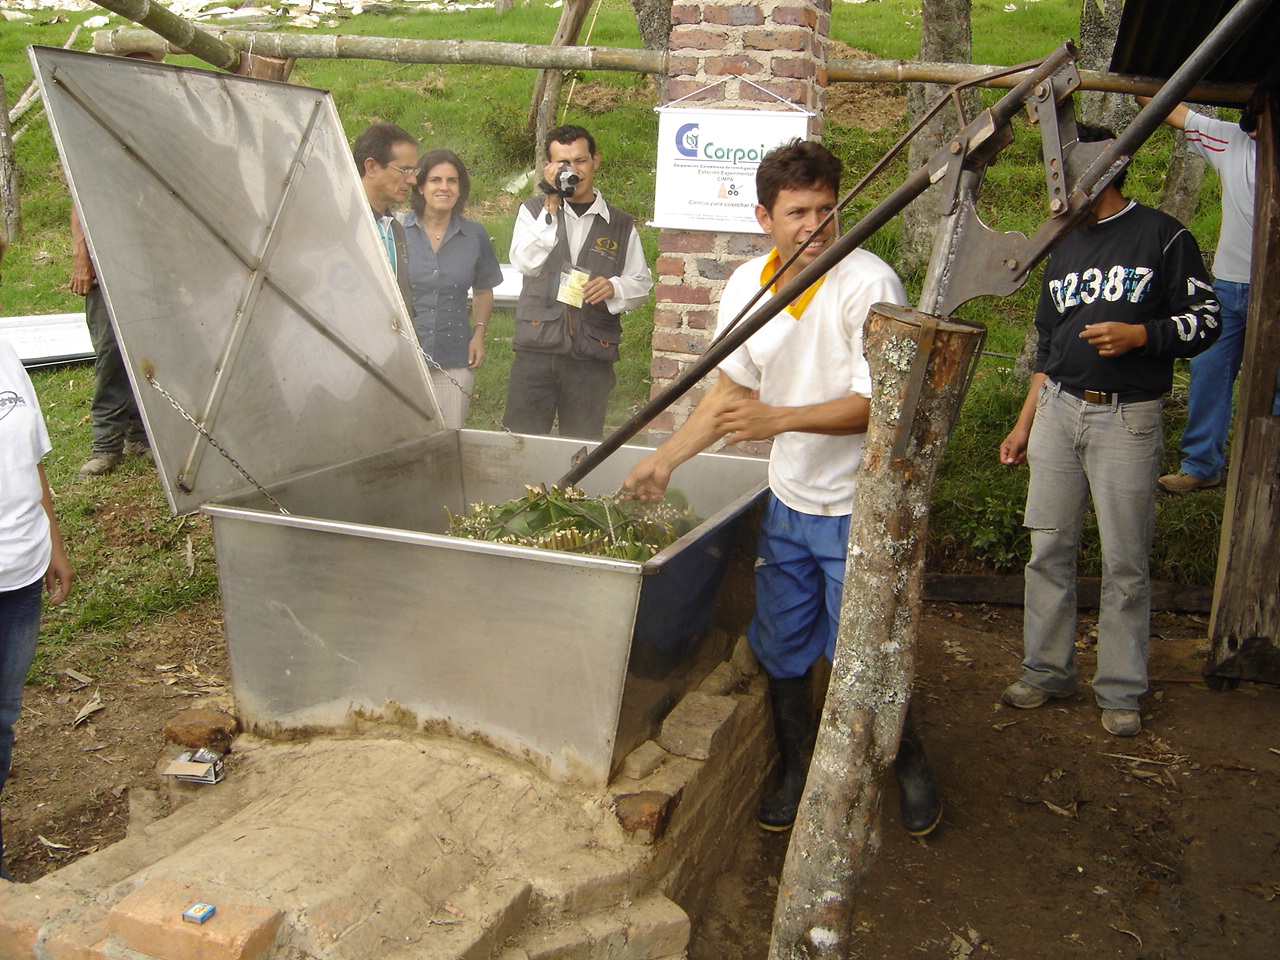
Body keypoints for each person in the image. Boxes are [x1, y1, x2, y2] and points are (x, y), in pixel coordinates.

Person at [623, 140, 941, 836]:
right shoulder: (747, 286)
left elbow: (883, 407)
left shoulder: (869, 284)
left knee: (868, 648)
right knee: (783, 641)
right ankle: (795, 767)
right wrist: (666, 459)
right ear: (763, 214)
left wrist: (778, 418)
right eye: (798, 212)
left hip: (862, 504)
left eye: (826, 210)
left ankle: (907, 764)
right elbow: (730, 392)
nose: (815, 226)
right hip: (792, 501)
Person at [999, 124, 1221, 738]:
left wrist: (1142, 335)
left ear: (1104, 170)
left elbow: (1207, 320)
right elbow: (1048, 346)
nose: (1061, 182)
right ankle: (1047, 669)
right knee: (1048, 549)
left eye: (1069, 169)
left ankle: (1121, 688)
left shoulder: (1163, 234)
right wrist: (1025, 422)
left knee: (1126, 561)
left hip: (1127, 417)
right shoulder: (1064, 242)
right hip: (1058, 411)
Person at [1134, 97, 1257, 494]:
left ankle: (1265, 466)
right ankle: (1203, 465)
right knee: (1209, 369)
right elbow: (1167, 106)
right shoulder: (1231, 140)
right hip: (1229, 282)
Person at [2, 239, 75, 882]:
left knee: (2, 716)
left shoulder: (5, 350)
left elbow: (33, 454)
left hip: (20, 569)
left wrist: (52, 536)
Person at [503, 124, 652, 440]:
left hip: (589, 357)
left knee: (581, 450)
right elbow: (525, 263)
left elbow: (641, 283)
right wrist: (551, 204)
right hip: (536, 351)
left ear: (595, 161)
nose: (574, 171)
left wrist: (615, 288)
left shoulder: (620, 223)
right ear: (549, 167)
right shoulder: (533, 212)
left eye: (581, 161)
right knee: (521, 443)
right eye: (563, 163)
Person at [399, 150, 504, 430]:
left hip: (454, 354)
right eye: (435, 180)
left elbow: (483, 289)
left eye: (452, 181)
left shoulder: (475, 234)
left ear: (460, 189)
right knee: (403, 438)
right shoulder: (396, 230)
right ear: (420, 186)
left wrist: (479, 334)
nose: (444, 187)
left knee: (449, 437)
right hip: (402, 357)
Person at [71, 204, 150, 476]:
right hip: (103, 257)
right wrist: (81, 256)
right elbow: (78, 197)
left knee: (149, 346)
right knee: (111, 350)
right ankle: (106, 445)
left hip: (147, 254)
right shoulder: (93, 159)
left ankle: (140, 434)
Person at [353, 122, 419, 316]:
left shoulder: (395, 229)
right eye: (404, 170)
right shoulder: (342, 225)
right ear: (371, 167)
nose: (412, 180)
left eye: (414, 171)